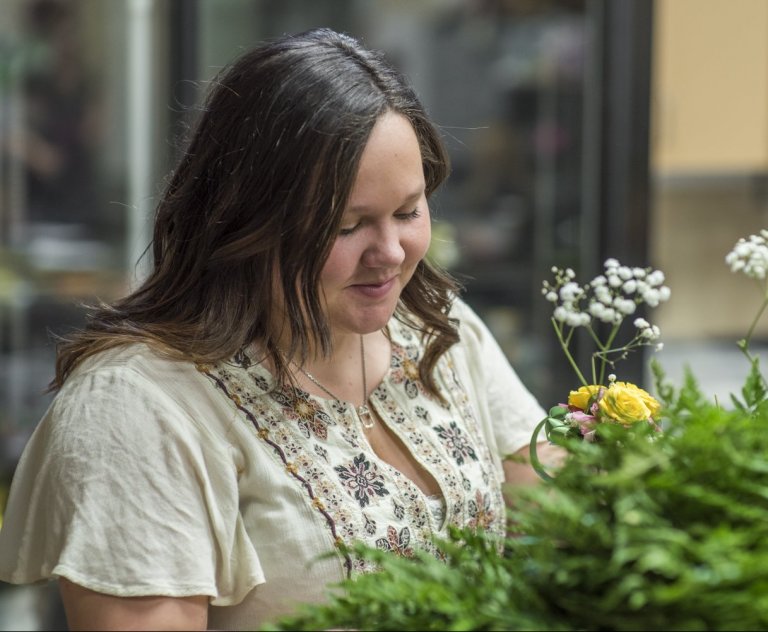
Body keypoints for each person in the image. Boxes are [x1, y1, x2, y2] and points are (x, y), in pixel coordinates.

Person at [0, 27, 555, 631]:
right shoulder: (138, 407)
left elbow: (554, 518)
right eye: (348, 226)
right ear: (244, 220)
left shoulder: (438, 329)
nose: (391, 253)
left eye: (408, 211)